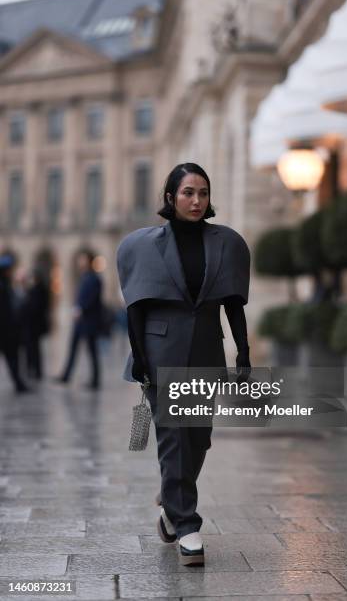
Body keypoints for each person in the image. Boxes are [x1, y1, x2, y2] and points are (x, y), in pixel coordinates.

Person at [117, 163, 251, 566]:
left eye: (203, 193)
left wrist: (243, 353)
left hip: (208, 351)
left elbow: (233, 304)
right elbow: (136, 308)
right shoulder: (143, 245)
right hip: (161, 353)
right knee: (174, 437)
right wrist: (140, 357)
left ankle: (170, 501)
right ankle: (188, 525)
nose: (197, 200)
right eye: (189, 192)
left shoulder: (226, 243)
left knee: (199, 437)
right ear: (171, 197)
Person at [55, 251, 103, 390]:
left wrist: (81, 309)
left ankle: (95, 380)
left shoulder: (94, 278)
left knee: (92, 351)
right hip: (81, 320)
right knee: (73, 348)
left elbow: (92, 299)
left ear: (88, 261)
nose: (79, 262)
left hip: (89, 320)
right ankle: (66, 375)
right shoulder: (85, 277)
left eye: (82, 259)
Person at [0, 255, 30, 394]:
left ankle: (19, 383)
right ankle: (19, 384)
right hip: (7, 330)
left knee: (12, 357)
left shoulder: (6, 285)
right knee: (13, 357)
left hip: (7, 330)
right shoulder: (4, 286)